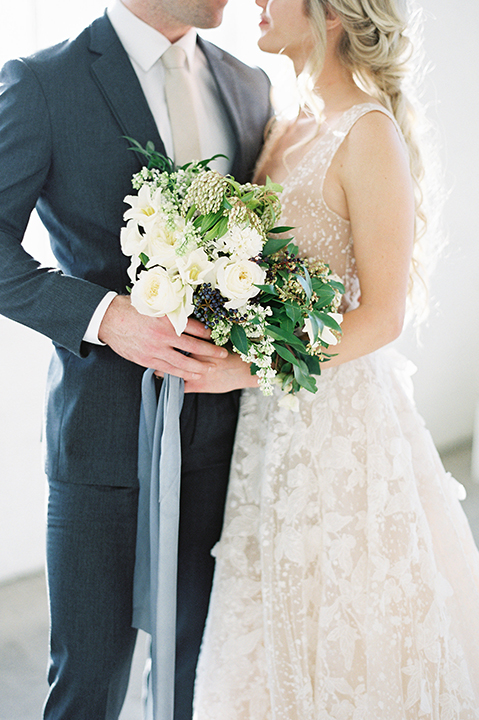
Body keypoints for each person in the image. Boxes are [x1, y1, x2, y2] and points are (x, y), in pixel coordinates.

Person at [190, 0, 479, 716]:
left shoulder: (369, 134)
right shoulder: (282, 126)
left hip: (343, 432)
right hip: (269, 430)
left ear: (333, 15)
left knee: (351, 628)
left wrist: (249, 366)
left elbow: (382, 317)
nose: (256, 1)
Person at [0, 0, 271, 717]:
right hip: (102, 448)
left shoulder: (250, 85)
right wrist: (104, 317)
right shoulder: (43, 82)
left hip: (225, 441)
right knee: (88, 685)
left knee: (194, 680)